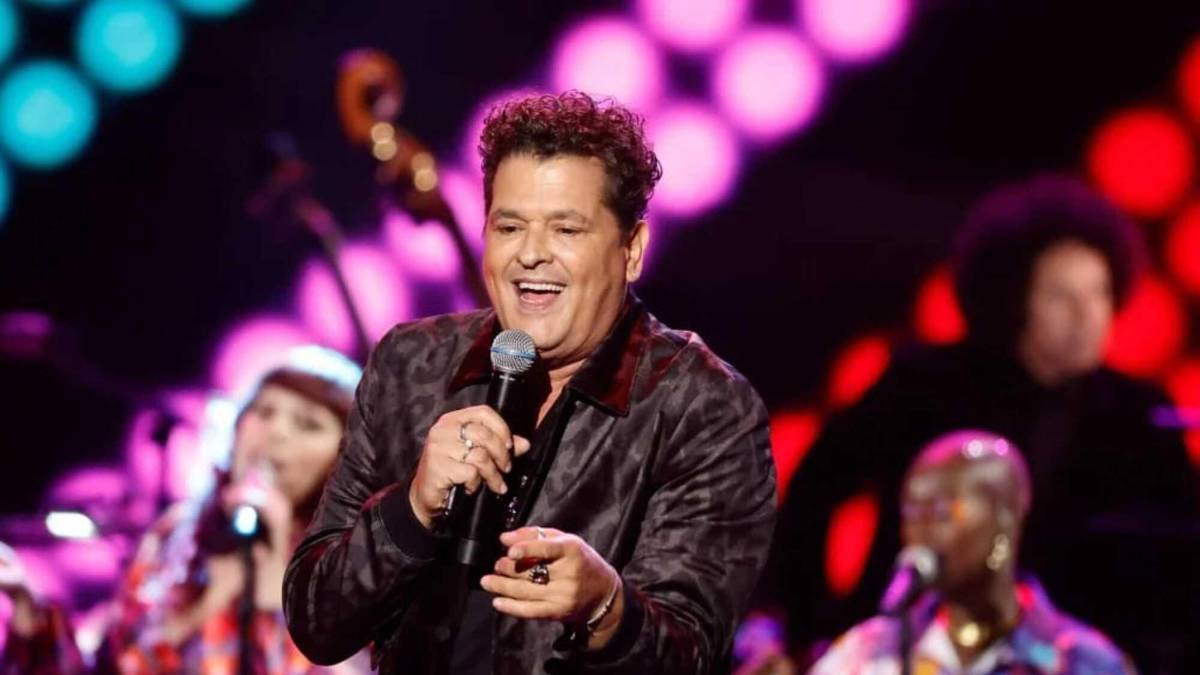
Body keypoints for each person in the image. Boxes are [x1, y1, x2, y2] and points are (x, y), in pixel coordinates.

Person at [283, 90, 777, 674]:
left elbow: (691, 652)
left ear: (632, 250)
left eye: (566, 230)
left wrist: (605, 609)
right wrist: (411, 510)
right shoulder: (411, 364)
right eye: (510, 226)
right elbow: (315, 623)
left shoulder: (703, 406)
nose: (531, 255)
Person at [771, 175, 1198, 668]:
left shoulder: (1137, 412)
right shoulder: (924, 384)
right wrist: (813, 629)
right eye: (1061, 296)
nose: (1087, 316)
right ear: (1014, 298)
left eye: (1099, 292)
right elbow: (814, 491)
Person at [1, 348, 367, 674]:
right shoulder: (177, 536)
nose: (276, 432)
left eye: (308, 424)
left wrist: (274, 590)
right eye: (263, 411)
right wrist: (29, 613)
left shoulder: (349, 574)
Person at [811, 429, 1135, 674]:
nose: (921, 530)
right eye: (912, 512)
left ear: (1005, 518)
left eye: (942, 513)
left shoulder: (1082, 662)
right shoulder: (867, 655)